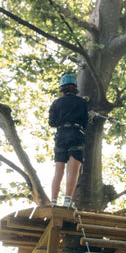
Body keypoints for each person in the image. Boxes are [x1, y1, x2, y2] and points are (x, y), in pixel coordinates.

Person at [48, 73, 88, 207]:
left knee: (58, 170)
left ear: (62, 88)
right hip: (76, 134)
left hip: (61, 136)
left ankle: (53, 201)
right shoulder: (82, 102)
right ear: (75, 88)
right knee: (73, 169)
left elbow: (52, 123)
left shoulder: (56, 103)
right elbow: (85, 122)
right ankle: (67, 202)